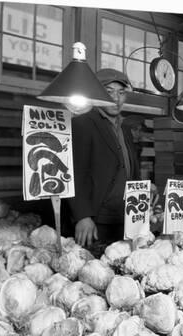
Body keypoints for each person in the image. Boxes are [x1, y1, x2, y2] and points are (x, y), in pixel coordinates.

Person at [67, 68, 140, 247]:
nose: (116, 98)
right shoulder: (82, 124)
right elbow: (74, 172)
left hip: (125, 216)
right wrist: (82, 216)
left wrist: (143, 190)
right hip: (95, 221)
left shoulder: (125, 129)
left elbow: (129, 169)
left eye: (121, 92)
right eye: (109, 92)